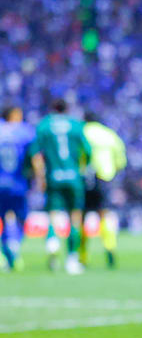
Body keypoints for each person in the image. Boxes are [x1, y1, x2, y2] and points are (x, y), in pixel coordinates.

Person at [32, 99, 92, 274]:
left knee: (52, 214)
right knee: (75, 216)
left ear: (52, 109)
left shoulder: (44, 126)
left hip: (53, 177)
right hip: (74, 177)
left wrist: (40, 177)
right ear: (67, 109)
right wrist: (82, 168)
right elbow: (87, 151)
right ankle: (72, 259)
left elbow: (35, 154)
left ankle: (52, 241)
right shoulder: (76, 125)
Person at [82, 112, 127, 268]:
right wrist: (113, 170)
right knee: (104, 214)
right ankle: (109, 246)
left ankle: (83, 256)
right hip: (105, 177)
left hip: (85, 178)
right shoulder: (109, 134)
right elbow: (121, 159)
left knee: (81, 217)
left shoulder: (82, 132)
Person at [0, 106, 39, 271]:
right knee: (21, 217)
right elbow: (35, 156)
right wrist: (39, 177)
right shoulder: (25, 132)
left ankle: (6, 250)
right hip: (17, 183)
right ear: (15, 115)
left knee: (2, 217)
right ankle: (14, 246)